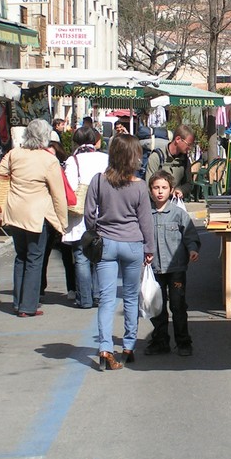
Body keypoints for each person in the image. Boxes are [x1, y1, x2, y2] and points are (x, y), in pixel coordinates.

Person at [84, 134, 154, 370]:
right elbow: (146, 221)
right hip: (133, 243)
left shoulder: (98, 181)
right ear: (133, 157)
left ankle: (105, 347)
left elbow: (88, 214)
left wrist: (96, 230)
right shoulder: (139, 186)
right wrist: (149, 248)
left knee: (106, 299)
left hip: (106, 242)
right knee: (131, 297)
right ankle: (129, 346)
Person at [0, 119, 69, 317]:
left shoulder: (14, 154)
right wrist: (62, 222)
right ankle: (28, 306)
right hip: (37, 215)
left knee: (21, 257)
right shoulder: (49, 160)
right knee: (35, 259)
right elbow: (58, 195)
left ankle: (18, 303)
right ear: (45, 137)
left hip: (15, 212)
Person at [144, 171, 201, 357]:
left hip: (176, 268)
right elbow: (140, 237)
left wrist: (192, 249)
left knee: (178, 305)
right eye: (156, 188)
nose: (160, 191)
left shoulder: (178, 214)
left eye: (164, 188)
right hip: (154, 268)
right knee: (157, 306)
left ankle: (183, 341)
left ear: (171, 190)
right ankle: (160, 341)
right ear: (150, 190)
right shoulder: (145, 214)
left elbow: (190, 235)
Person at [62, 126, 109, 309]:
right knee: (98, 254)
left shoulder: (73, 160)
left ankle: (85, 299)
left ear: (76, 142)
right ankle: (98, 295)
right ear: (95, 140)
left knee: (81, 257)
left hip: (79, 213)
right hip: (102, 210)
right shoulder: (105, 158)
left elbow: (70, 186)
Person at [40, 140, 75, 299]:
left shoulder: (65, 169)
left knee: (67, 254)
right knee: (43, 254)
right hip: (46, 216)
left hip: (62, 216)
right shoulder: (41, 169)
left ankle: (72, 288)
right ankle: (40, 288)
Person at [145, 124, 194, 199]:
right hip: (157, 203)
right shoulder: (156, 157)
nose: (190, 148)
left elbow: (189, 184)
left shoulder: (185, 160)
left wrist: (180, 190)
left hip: (174, 202)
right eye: (188, 144)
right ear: (178, 139)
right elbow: (149, 186)